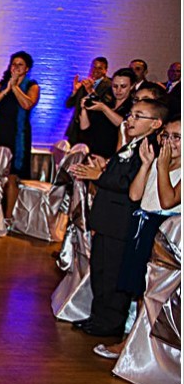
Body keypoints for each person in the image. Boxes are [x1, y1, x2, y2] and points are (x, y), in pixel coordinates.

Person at [69, 98, 166, 337]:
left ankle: (109, 323)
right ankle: (97, 316)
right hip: (107, 218)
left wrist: (99, 177)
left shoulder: (150, 148)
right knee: (100, 271)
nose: (130, 120)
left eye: (138, 116)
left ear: (155, 124)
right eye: (131, 114)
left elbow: (130, 185)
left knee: (112, 275)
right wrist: (103, 168)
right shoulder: (132, 144)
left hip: (121, 222)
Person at [94, 114, 180, 359]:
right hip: (143, 225)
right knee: (138, 289)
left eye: (177, 137)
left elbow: (168, 200)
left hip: (165, 235)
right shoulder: (156, 162)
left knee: (153, 294)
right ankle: (131, 343)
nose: (170, 142)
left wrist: (161, 167)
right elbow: (134, 195)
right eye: (167, 136)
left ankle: (143, 348)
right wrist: (146, 165)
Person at [0, 51, 40, 221]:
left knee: (12, 177)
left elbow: (27, 104)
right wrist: (7, 89)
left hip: (18, 136)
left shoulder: (32, 86)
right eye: (13, 64)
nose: (16, 67)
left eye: (20, 64)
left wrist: (15, 87)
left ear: (27, 68)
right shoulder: (1, 85)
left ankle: (7, 218)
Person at [78, 68, 135, 160]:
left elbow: (124, 124)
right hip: (92, 151)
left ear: (132, 86)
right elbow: (85, 128)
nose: (118, 90)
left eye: (123, 86)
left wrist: (104, 108)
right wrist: (84, 109)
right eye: (115, 86)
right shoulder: (106, 102)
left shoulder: (132, 107)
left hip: (111, 155)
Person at [65, 56, 110, 144]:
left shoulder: (109, 85)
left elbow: (105, 105)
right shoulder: (84, 83)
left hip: (93, 130)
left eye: (99, 68)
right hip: (76, 130)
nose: (95, 70)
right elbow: (69, 104)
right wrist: (74, 91)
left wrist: (91, 91)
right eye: (94, 67)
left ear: (105, 70)